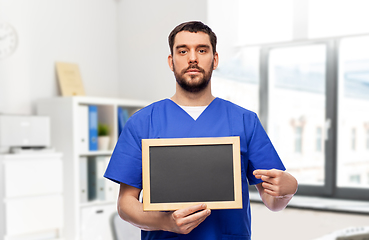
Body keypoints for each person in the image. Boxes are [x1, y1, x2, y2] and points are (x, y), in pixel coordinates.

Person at [104, 21, 298, 240]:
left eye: (202, 50)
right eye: (183, 51)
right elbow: (126, 204)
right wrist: (166, 223)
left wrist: (289, 189)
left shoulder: (245, 121)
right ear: (171, 61)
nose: (192, 58)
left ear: (214, 60)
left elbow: (272, 201)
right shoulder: (142, 123)